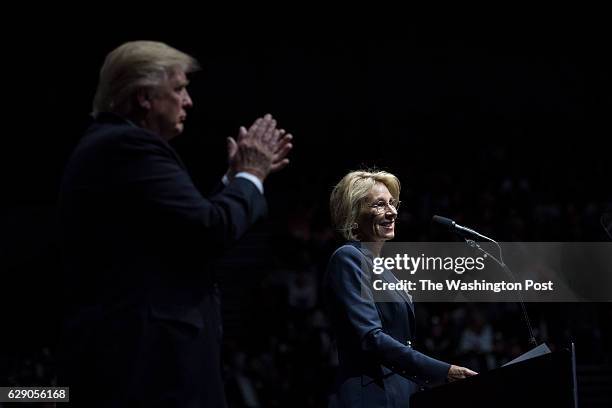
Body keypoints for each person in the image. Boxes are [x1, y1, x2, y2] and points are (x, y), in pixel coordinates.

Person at [57, 41, 293, 407]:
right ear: (144, 97)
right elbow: (209, 231)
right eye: (179, 88)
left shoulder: (113, 147)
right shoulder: (127, 146)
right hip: (147, 371)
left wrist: (233, 180)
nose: (189, 101)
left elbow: (183, 236)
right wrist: (250, 175)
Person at [324, 170, 476, 407]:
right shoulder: (347, 258)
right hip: (371, 395)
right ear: (353, 215)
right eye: (379, 205)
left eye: (393, 204)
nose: (392, 212)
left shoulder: (386, 270)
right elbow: (371, 339)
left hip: (403, 394)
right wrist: (443, 371)